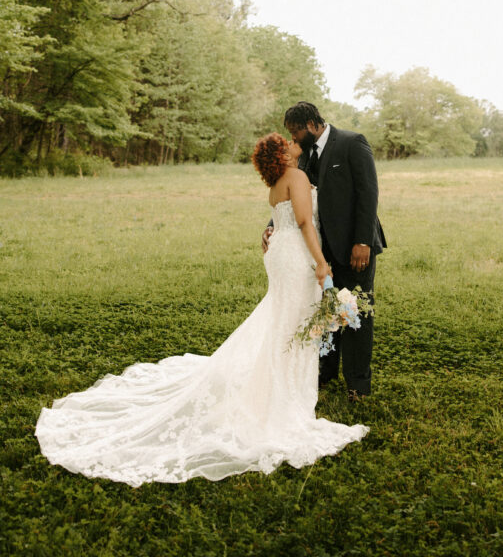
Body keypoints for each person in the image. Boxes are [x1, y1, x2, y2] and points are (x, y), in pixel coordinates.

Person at [35, 134, 367, 487]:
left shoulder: (277, 183)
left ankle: (279, 382)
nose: (291, 142)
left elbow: (285, 221)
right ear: (282, 155)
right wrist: (320, 264)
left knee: (283, 322)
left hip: (280, 255)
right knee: (289, 323)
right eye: (286, 141)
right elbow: (303, 222)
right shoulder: (297, 177)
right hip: (296, 257)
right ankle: (280, 394)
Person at [262, 102, 386, 402]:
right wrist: (273, 224)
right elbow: (296, 199)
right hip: (317, 249)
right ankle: (324, 371)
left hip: (354, 247)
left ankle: (358, 385)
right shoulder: (302, 156)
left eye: (295, 132)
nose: (293, 138)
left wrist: (362, 241)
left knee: (354, 311)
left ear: (312, 124)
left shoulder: (351, 143)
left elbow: (368, 193)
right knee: (324, 312)